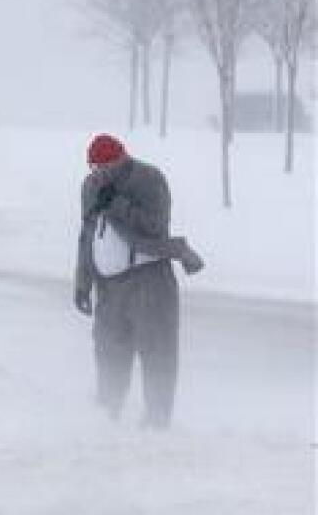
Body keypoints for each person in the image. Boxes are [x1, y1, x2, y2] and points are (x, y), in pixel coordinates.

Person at [73, 133, 203, 429]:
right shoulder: (90, 187)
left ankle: (157, 425)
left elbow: (154, 227)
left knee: (157, 353)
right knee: (108, 353)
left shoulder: (149, 179)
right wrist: (83, 282)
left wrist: (116, 204)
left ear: (120, 159)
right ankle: (105, 421)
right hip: (109, 288)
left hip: (148, 281)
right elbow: (87, 236)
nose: (98, 175)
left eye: (104, 168)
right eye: (94, 169)